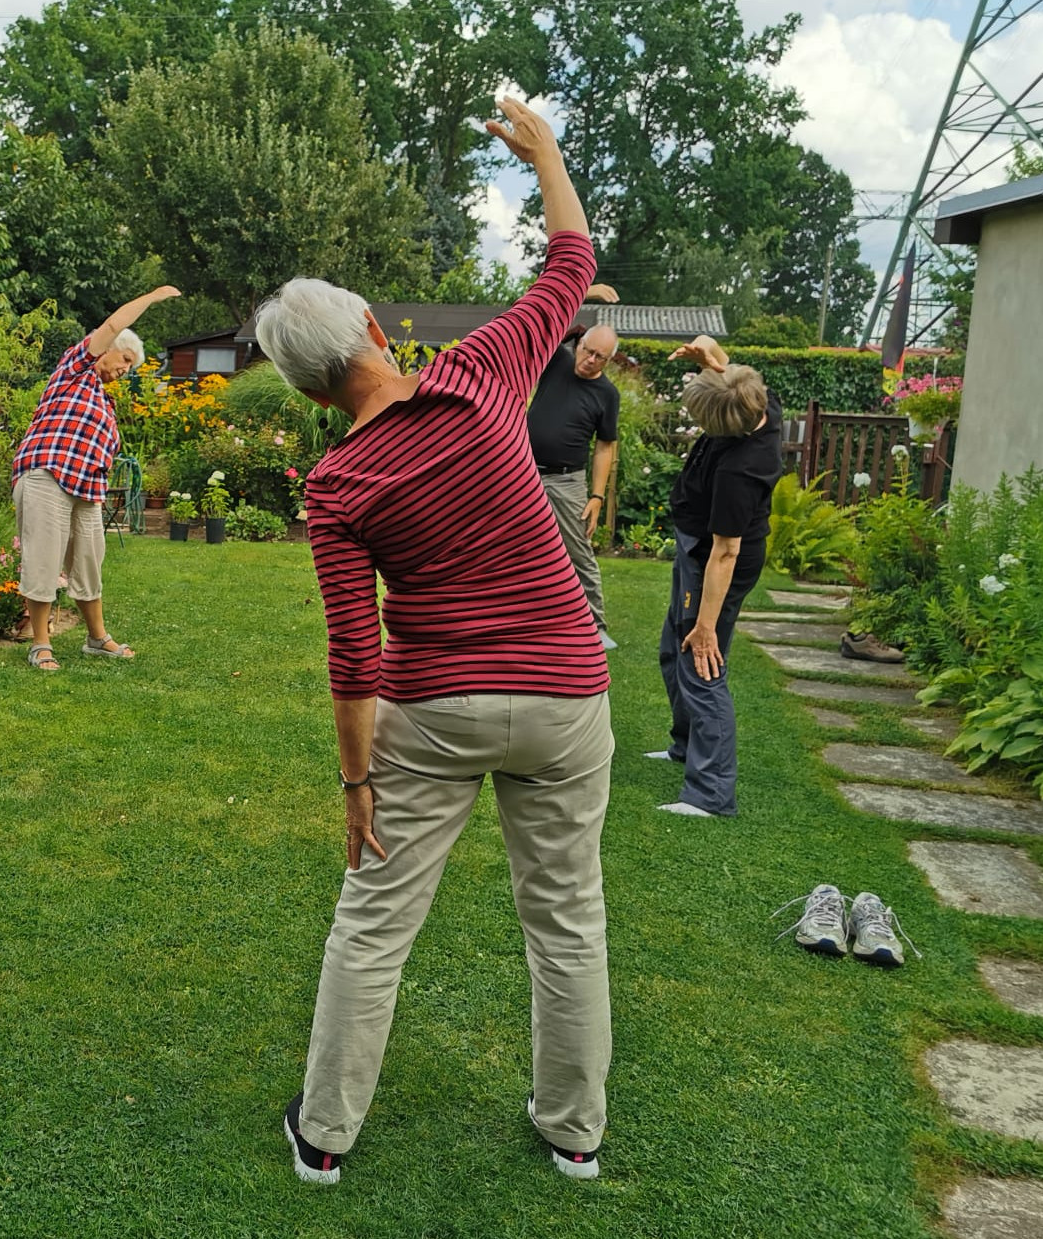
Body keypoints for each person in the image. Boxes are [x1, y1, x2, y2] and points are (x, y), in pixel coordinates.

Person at [256, 99, 614, 1184]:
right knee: (568, 918)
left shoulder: (335, 483)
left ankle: (324, 1138)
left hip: (432, 712)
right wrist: (545, 154)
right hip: (562, 697)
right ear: (372, 329)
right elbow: (572, 257)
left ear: (306, 387)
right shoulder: (480, 373)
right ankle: (574, 1135)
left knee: (372, 925)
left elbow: (353, 654)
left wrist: (356, 782)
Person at [647, 335, 784, 816]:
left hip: (714, 562)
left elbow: (726, 553)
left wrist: (705, 627)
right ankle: (684, 746)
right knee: (673, 649)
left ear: (727, 430)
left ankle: (710, 793)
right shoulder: (759, 403)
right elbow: (735, 378)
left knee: (700, 663)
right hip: (698, 550)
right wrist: (712, 359)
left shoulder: (740, 471)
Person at [11, 286, 179, 671]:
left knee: (89, 563)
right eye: (124, 359)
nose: (125, 369)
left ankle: (97, 638)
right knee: (42, 560)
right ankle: (40, 643)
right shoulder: (76, 370)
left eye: (131, 367)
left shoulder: (104, 398)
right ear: (105, 349)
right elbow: (114, 322)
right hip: (48, 475)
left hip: (86, 490)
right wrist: (152, 297)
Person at [526, 318, 622, 649]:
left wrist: (597, 495)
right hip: (523, 473)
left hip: (568, 481)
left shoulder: (607, 394)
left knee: (578, 551)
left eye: (600, 357)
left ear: (608, 361)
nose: (590, 360)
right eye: (588, 351)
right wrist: (586, 289)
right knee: (513, 545)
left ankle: (596, 625)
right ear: (578, 345)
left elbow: (605, 446)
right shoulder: (557, 361)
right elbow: (538, 320)